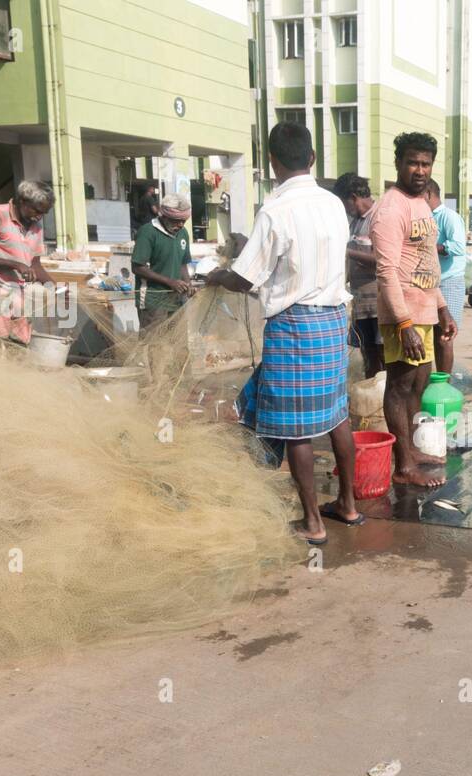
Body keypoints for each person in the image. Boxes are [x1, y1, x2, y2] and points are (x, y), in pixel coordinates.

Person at [204, 122, 360, 546]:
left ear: (273, 163)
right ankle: (347, 504)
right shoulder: (333, 204)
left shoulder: (275, 210)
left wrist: (219, 275)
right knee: (337, 415)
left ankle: (313, 522)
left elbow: (247, 278)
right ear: (312, 159)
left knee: (296, 429)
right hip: (332, 322)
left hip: (294, 325)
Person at [369, 131, 458, 488]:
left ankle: (413, 450)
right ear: (398, 164)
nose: (419, 170)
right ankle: (403, 466)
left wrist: (443, 309)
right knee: (400, 386)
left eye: (426, 163)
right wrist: (404, 323)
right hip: (402, 314)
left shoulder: (423, 203)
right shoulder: (391, 207)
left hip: (424, 311)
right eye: (412, 162)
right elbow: (386, 271)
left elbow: (425, 264)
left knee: (419, 385)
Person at [0, 180, 56, 343]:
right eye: (36, 211)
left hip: (16, 289)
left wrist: (54, 288)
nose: (39, 217)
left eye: (44, 213)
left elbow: (35, 264)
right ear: (22, 201)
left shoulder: (36, 226)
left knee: (20, 340)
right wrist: (16, 264)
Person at [332, 172, 382, 378]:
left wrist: (348, 252)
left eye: (344, 204)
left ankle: (383, 396)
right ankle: (372, 392)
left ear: (353, 197)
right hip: (361, 305)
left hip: (379, 303)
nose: (344, 210)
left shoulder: (379, 217)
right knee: (367, 353)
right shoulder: (354, 223)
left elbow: (383, 260)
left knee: (383, 354)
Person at [131, 193, 193, 332]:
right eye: (176, 221)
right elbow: (137, 267)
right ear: (164, 216)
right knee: (155, 344)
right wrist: (170, 282)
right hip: (153, 299)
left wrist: (188, 283)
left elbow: (182, 263)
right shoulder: (148, 232)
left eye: (184, 221)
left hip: (176, 299)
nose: (181, 225)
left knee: (179, 342)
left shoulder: (183, 233)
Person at [425, 177, 466, 374]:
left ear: (428, 194)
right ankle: (438, 381)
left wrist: (432, 247)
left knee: (444, 336)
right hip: (431, 283)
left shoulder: (448, 217)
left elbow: (458, 246)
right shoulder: (426, 217)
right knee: (433, 336)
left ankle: (445, 385)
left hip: (449, 283)